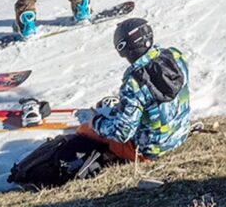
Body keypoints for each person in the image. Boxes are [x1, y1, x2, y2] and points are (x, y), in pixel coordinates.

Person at [77, 18, 190, 162]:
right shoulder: (175, 56)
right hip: (181, 134)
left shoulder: (134, 82)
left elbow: (122, 133)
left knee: (84, 130)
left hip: (151, 152)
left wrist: (96, 122)